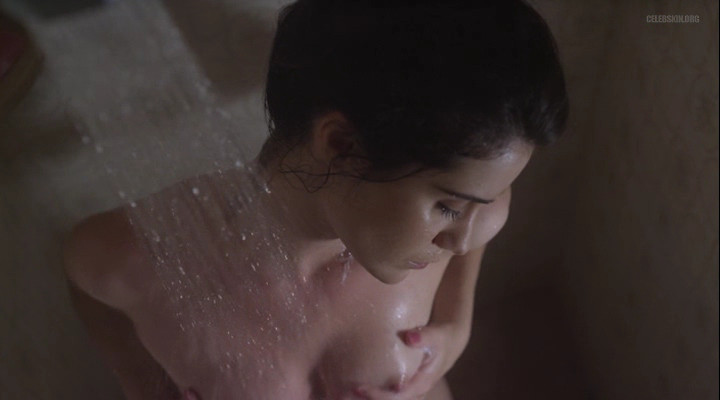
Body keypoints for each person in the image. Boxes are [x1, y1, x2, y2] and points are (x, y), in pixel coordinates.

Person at [62, 0, 568, 399]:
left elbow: (478, 204)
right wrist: (143, 387)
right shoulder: (150, 258)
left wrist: (457, 322)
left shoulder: (444, 221)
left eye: (493, 195)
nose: (463, 237)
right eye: (450, 207)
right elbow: (87, 286)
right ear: (342, 144)